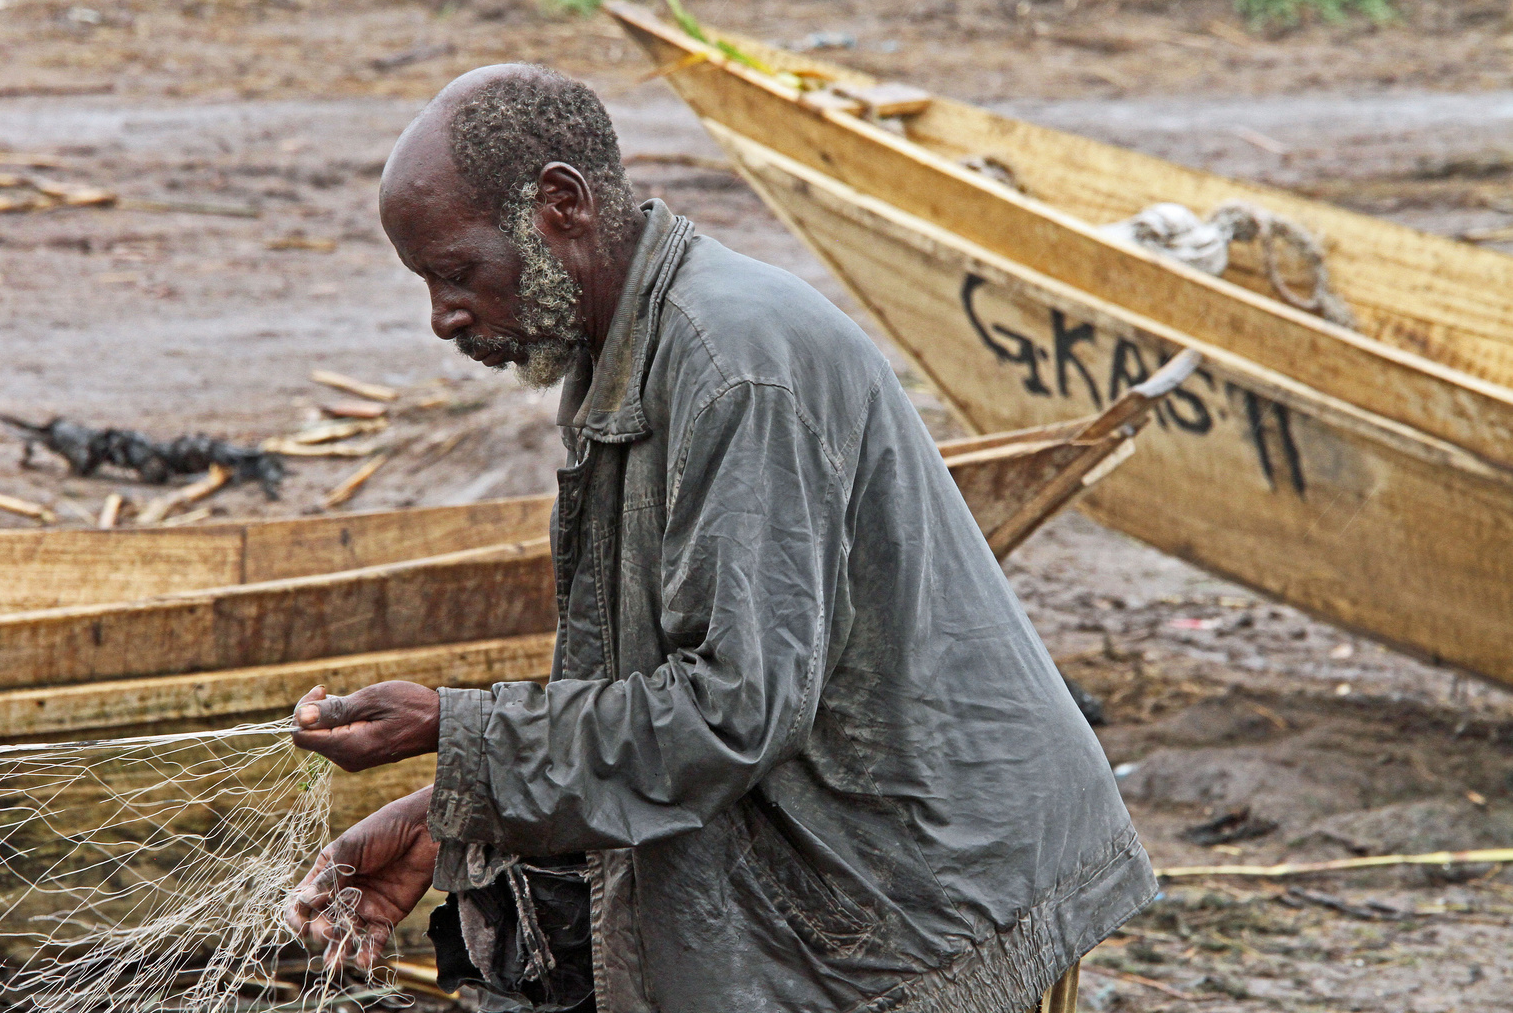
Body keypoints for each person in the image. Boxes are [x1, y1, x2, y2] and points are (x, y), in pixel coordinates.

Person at [284, 63, 1155, 1013]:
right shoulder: (613, 358)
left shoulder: (732, 369)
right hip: (856, 869)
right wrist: (448, 811)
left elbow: (731, 712)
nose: (445, 317)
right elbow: (641, 693)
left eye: (458, 274)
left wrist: (461, 734)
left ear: (562, 206)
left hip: (934, 894)